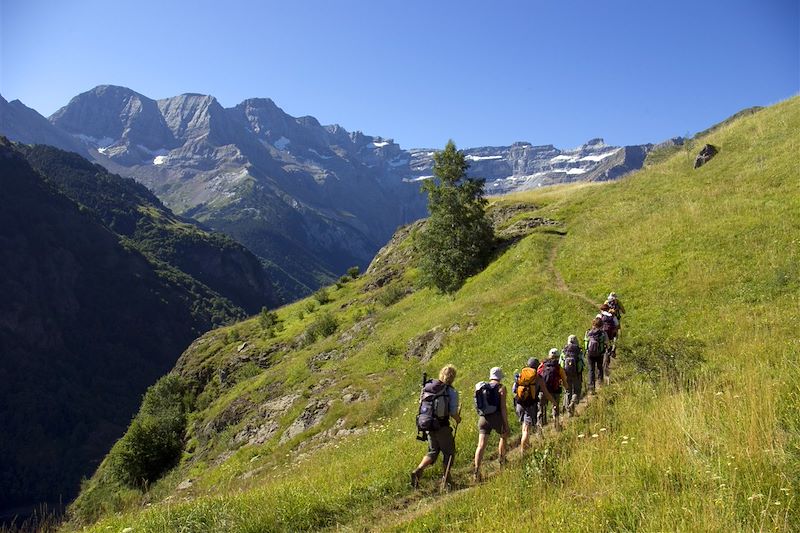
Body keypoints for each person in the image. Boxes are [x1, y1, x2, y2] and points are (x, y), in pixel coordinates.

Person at [411, 364, 461, 488]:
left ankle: (419, 469)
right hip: (442, 426)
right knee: (449, 453)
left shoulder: (430, 388)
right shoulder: (450, 392)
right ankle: (447, 481)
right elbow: (452, 412)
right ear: (453, 377)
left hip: (428, 425)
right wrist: (458, 419)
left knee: (433, 451)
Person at [473, 367, 510, 482]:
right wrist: (506, 424)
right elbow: (503, 408)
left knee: (481, 445)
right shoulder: (501, 388)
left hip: (483, 418)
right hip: (496, 417)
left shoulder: (483, 388)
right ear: (500, 377)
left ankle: (476, 471)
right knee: (503, 436)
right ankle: (502, 460)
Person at [513, 357, 555, 454]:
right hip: (530, 405)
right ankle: (523, 452)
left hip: (519, 404)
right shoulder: (538, 378)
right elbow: (546, 393)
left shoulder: (520, 375)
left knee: (524, 426)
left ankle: (525, 446)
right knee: (526, 430)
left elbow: (514, 390)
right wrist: (554, 402)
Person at [537, 349, 568, 431]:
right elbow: (564, 379)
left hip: (543, 390)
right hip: (555, 390)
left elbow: (537, 376)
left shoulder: (542, 365)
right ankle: (556, 426)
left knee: (541, 409)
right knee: (555, 407)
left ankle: (540, 428)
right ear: (558, 357)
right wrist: (566, 387)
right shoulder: (558, 367)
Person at [560, 335, 585, 416]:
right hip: (576, 374)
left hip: (566, 374)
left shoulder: (564, 350)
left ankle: (569, 412)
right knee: (577, 390)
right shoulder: (578, 350)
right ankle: (573, 403)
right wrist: (580, 371)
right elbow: (581, 362)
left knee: (568, 391)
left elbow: (560, 363)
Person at [585, 317, 609, 393]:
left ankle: (591, 388)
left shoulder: (588, 332)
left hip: (590, 354)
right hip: (600, 353)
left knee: (591, 370)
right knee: (599, 368)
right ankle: (600, 384)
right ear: (601, 325)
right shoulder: (603, 333)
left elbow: (586, 342)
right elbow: (607, 343)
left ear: (593, 324)